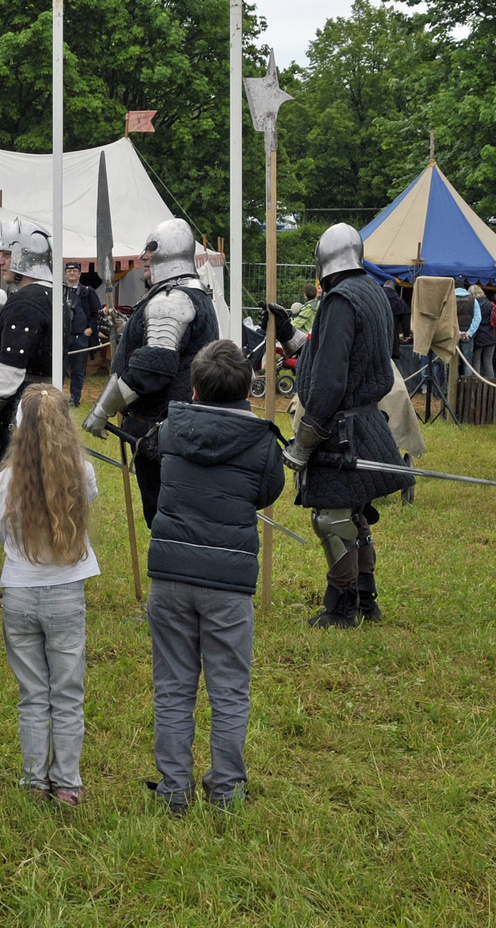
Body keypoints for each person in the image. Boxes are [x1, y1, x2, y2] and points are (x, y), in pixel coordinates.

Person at [145, 339, 284, 813]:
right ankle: (226, 792)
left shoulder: (169, 430)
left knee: (173, 688)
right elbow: (267, 494)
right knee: (228, 691)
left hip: (170, 574)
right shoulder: (264, 442)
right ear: (247, 387)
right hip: (227, 582)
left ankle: (174, 792)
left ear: (196, 387)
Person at [281, 223, 413, 628]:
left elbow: (330, 380)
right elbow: (329, 353)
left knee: (333, 518)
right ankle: (366, 600)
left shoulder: (340, 300)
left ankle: (341, 609)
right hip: (366, 419)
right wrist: (288, 334)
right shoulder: (372, 291)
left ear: (324, 260)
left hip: (341, 429)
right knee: (354, 515)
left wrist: (305, 440)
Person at [0, 385, 99, 806]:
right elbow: (83, 505)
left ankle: (35, 781)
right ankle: (67, 783)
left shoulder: (3, 481)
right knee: (67, 694)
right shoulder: (81, 474)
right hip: (66, 592)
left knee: (32, 694)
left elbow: (1, 532)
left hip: (18, 591)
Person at [83, 220, 219, 519]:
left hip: (163, 430)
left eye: (151, 249)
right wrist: (127, 328)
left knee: (168, 519)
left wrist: (102, 410)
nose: (143, 256)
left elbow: (153, 371)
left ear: (167, 256)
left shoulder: (171, 300)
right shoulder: (187, 293)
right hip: (178, 426)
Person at [0, 225, 56, 475]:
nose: (0, 262)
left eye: (6, 255)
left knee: (10, 489)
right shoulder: (54, 296)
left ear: (26, 257)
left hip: (19, 409)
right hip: (47, 400)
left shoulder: (25, 301)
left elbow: (11, 369)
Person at [62, 262, 104, 407]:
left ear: (80, 274)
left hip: (81, 337)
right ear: (65, 274)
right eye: (69, 270)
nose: (72, 273)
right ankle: (57, 397)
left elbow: (96, 313)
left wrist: (90, 330)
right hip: (62, 337)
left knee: (78, 370)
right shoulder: (60, 291)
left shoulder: (87, 291)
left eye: (75, 270)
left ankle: (75, 399)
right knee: (59, 368)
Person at [469, 285, 496, 381]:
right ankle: (491, 385)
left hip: (478, 335)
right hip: (490, 335)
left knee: (476, 361)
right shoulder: (490, 304)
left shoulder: (473, 304)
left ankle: (477, 382)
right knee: (488, 361)